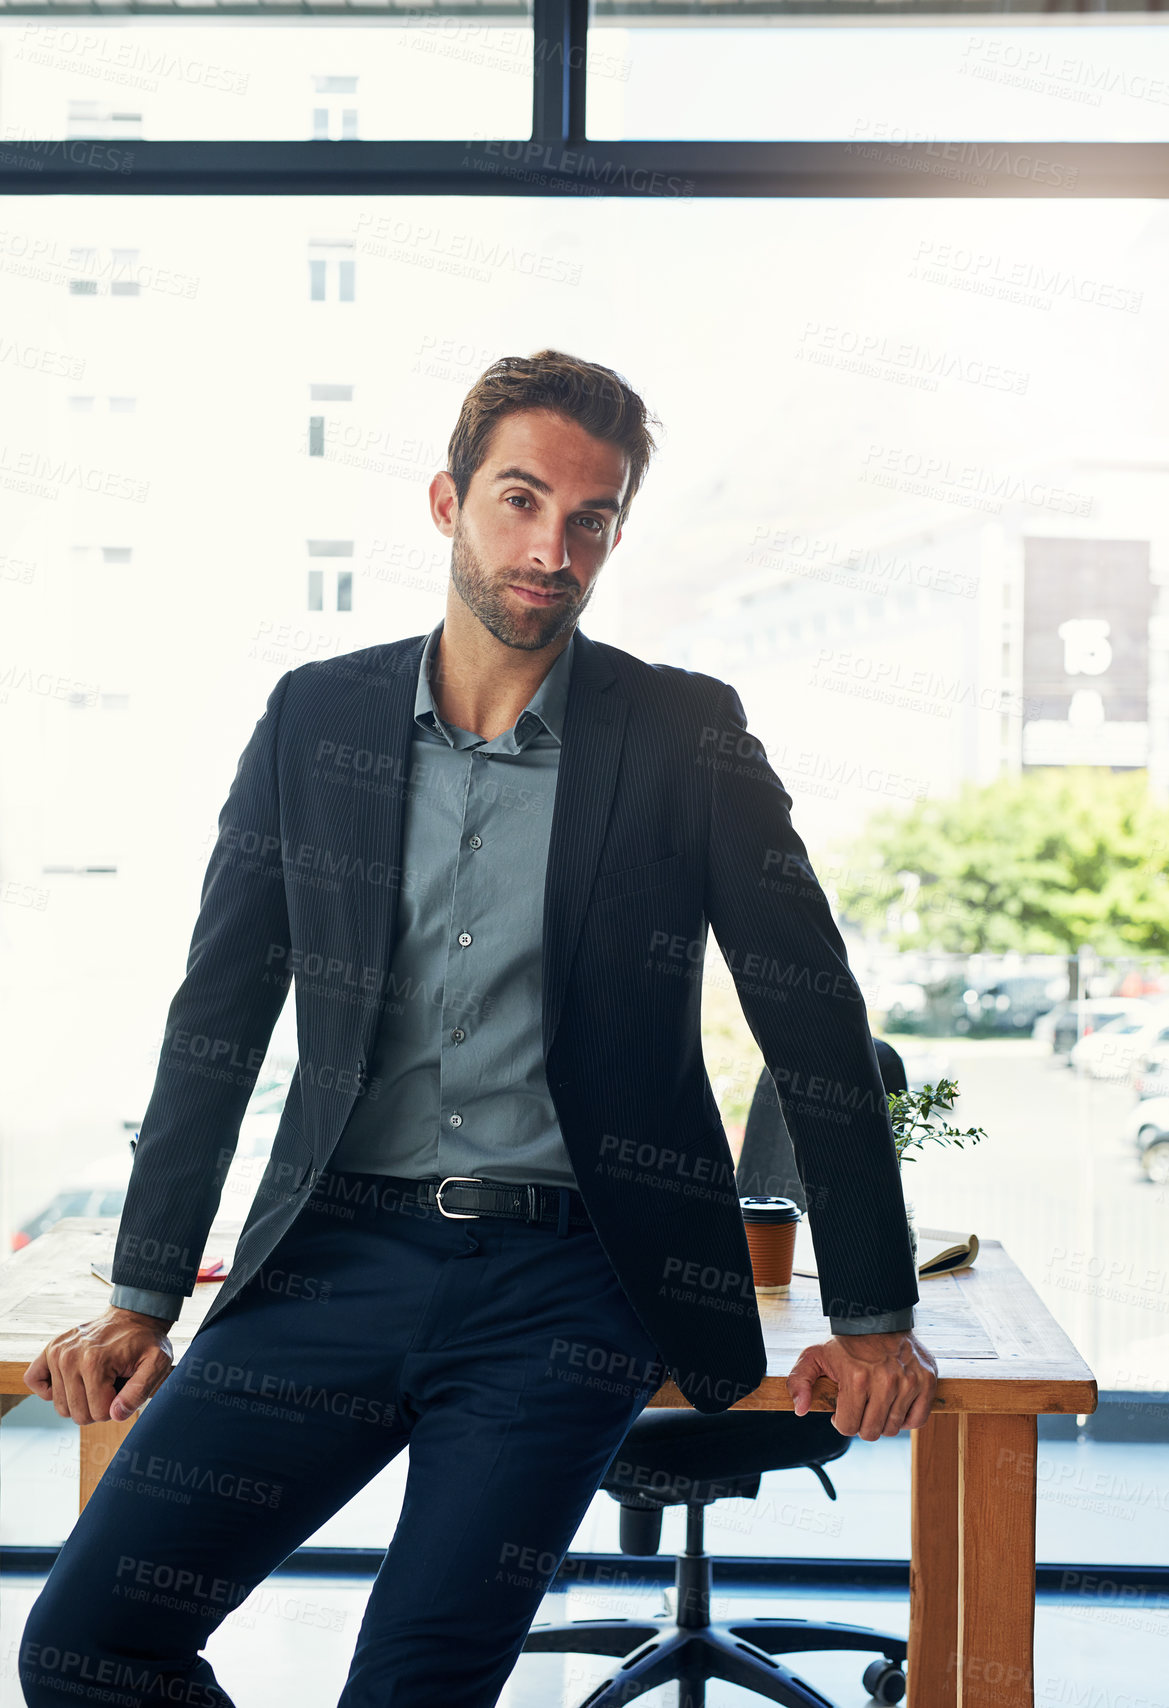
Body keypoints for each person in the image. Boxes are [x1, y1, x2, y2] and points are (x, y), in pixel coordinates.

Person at [19, 349, 937, 1708]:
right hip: (333, 1262)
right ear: (448, 502)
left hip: (568, 1283)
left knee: (415, 1687)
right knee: (87, 1649)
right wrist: (143, 1294)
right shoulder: (313, 717)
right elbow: (220, 1006)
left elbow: (811, 1019)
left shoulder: (685, 734)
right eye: (520, 500)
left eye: (590, 519)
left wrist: (871, 1313)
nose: (550, 546)